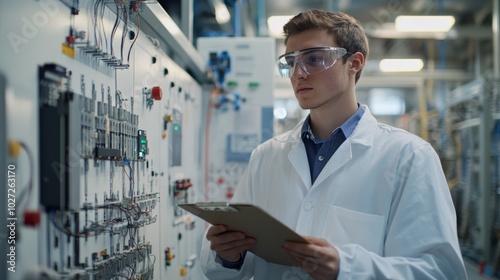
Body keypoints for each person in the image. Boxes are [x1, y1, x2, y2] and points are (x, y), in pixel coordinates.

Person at [200, 9, 467, 280]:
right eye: (290, 62)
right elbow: (224, 272)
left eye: (314, 59)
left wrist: (347, 269)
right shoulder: (266, 156)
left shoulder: (409, 157)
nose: (298, 74)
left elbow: (440, 272)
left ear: (354, 63)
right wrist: (228, 256)